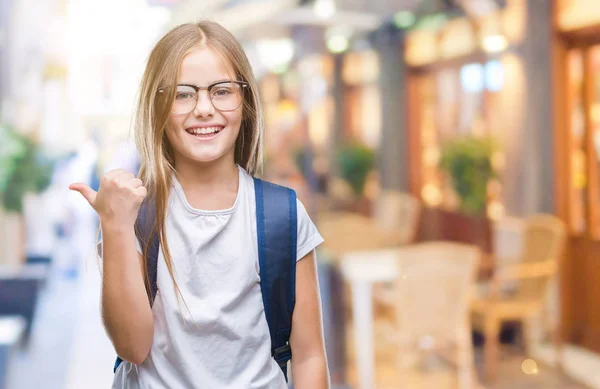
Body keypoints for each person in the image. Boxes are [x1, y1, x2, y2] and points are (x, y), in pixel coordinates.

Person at [68, 21, 329, 389]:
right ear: (157, 106)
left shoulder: (282, 214)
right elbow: (132, 347)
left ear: (245, 101)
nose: (204, 108)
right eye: (183, 94)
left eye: (222, 91)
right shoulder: (136, 213)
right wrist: (115, 227)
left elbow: (309, 356)